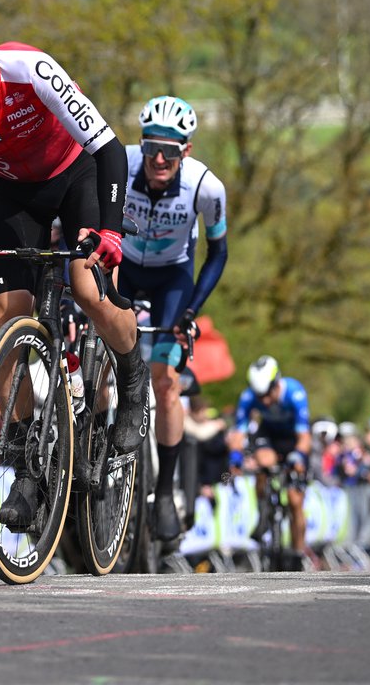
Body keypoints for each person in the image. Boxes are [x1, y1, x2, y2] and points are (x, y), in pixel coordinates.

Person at [0, 0, 150, 527]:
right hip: (14, 193)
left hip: (77, 175)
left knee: (87, 289)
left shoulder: (30, 69)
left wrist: (108, 230)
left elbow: (108, 149)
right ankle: (24, 465)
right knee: (4, 316)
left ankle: (132, 380)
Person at [116, 95, 228, 540]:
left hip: (171, 280)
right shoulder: (118, 165)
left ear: (188, 150)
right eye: (151, 148)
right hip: (121, 265)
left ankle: (163, 493)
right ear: (140, 145)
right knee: (97, 347)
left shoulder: (207, 187)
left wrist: (191, 311)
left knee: (165, 382)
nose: (159, 159)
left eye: (171, 150)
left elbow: (218, 254)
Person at [232, 356, 311, 561]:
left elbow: (304, 437)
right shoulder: (249, 397)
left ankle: (298, 552)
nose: (264, 401)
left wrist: (298, 456)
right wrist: (235, 458)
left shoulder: (295, 392)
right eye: (260, 396)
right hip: (269, 437)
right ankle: (264, 512)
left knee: (295, 501)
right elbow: (238, 433)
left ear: (277, 383)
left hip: (293, 440)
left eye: (267, 394)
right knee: (263, 462)